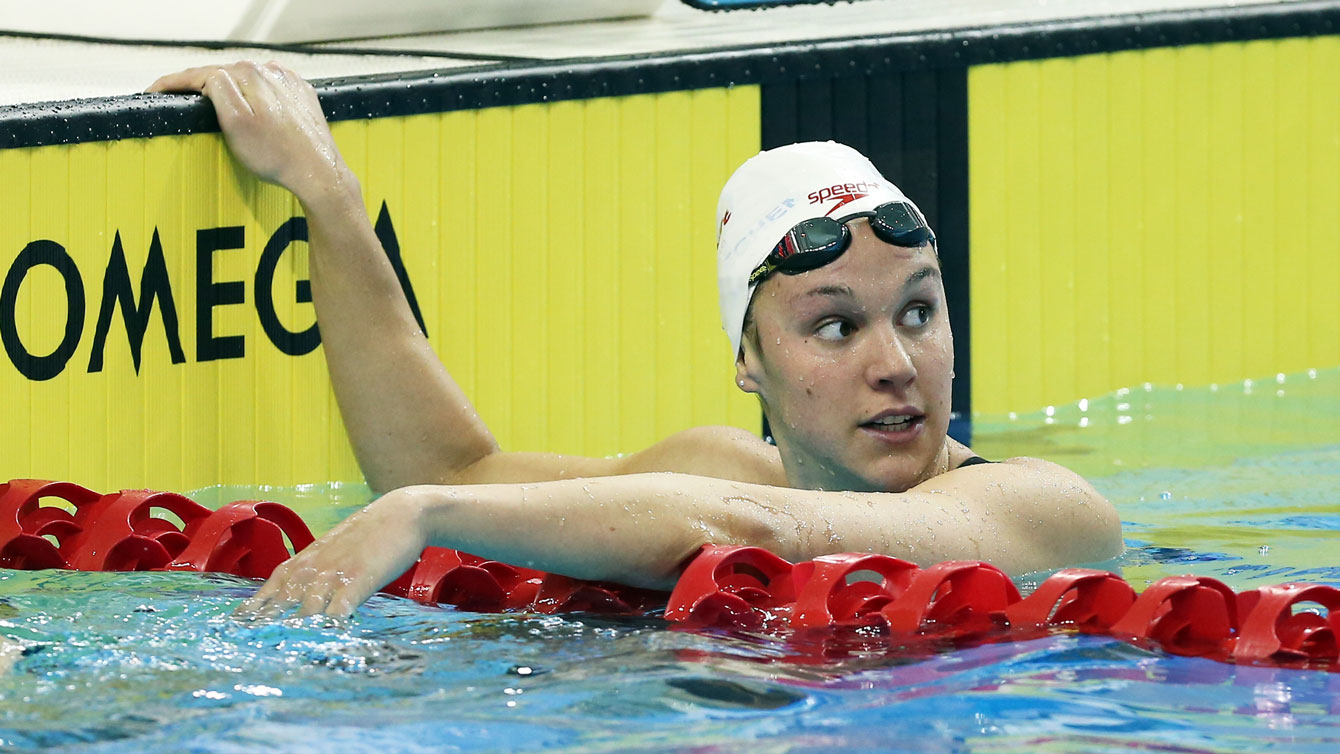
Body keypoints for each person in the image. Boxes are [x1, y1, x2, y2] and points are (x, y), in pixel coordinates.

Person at [147, 62, 1123, 619]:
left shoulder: (1044, 509)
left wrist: (425, 509)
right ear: (748, 361)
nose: (896, 362)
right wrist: (327, 195)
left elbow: (753, 534)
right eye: (835, 323)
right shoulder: (709, 469)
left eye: (917, 310)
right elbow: (446, 465)